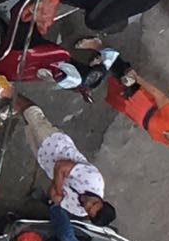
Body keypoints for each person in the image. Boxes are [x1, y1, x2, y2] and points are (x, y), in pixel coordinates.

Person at [14, 93, 115, 225]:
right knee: (34, 116)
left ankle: (14, 105)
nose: (88, 203)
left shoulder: (78, 211)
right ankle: (10, 93)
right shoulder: (94, 180)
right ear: (102, 200)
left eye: (89, 209)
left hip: (44, 159)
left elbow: (53, 196)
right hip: (55, 144)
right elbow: (60, 166)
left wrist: (58, 181)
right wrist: (59, 187)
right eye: (94, 203)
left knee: (29, 125)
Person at [91, 50, 169, 150]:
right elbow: (159, 96)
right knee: (124, 76)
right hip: (143, 101)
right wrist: (138, 79)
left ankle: (100, 66)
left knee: (117, 91)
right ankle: (105, 54)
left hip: (138, 115)